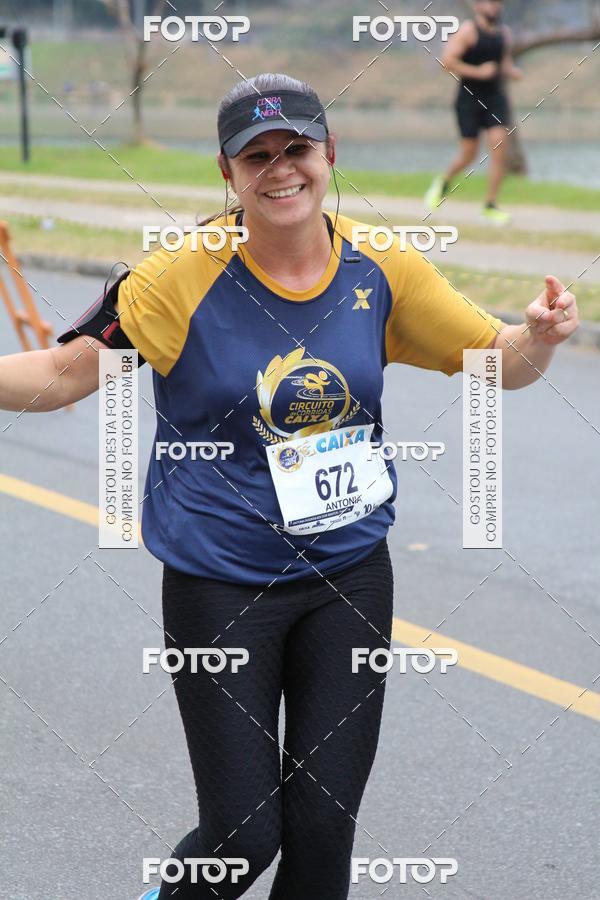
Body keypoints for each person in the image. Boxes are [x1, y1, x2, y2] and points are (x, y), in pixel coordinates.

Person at [0, 73, 578, 900]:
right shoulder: (177, 277)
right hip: (221, 584)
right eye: (257, 155)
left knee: (322, 832)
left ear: (329, 156)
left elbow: (500, 360)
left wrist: (541, 336)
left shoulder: (383, 269)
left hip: (347, 577)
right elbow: (60, 376)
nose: (281, 170)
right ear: (228, 175)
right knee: (241, 838)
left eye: (297, 149)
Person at [425, 0, 523, 224]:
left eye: (498, 4)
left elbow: (504, 64)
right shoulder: (468, 31)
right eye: (490, 3)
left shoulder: (504, 34)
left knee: (499, 147)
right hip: (468, 99)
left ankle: (490, 205)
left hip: (496, 99)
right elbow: (447, 62)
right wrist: (477, 72)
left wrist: (513, 72)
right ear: (479, 6)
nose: (495, 8)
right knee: (469, 154)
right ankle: (444, 181)